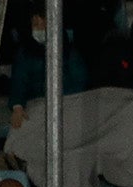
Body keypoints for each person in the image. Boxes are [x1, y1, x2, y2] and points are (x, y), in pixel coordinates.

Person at [9, 2, 91, 130]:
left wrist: (60, 99)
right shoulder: (24, 52)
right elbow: (19, 82)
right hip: (36, 105)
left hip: (67, 104)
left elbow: (79, 81)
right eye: (35, 24)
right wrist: (17, 106)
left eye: (43, 22)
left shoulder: (67, 50)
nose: (39, 27)